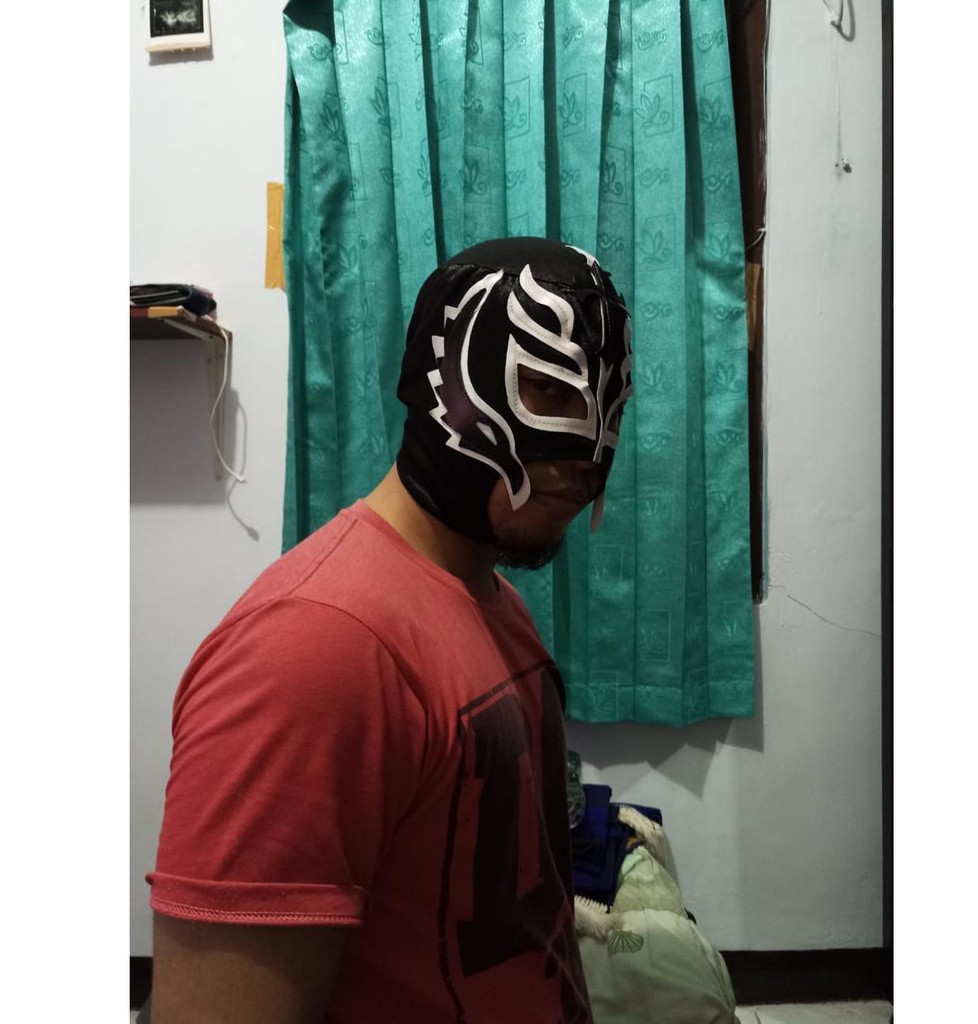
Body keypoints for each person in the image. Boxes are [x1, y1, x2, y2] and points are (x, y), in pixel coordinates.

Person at [145, 237, 634, 1023]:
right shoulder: (312, 648)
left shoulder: (492, 600)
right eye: (546, 387)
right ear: (439, 379)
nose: (587, 455)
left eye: (613, 404)